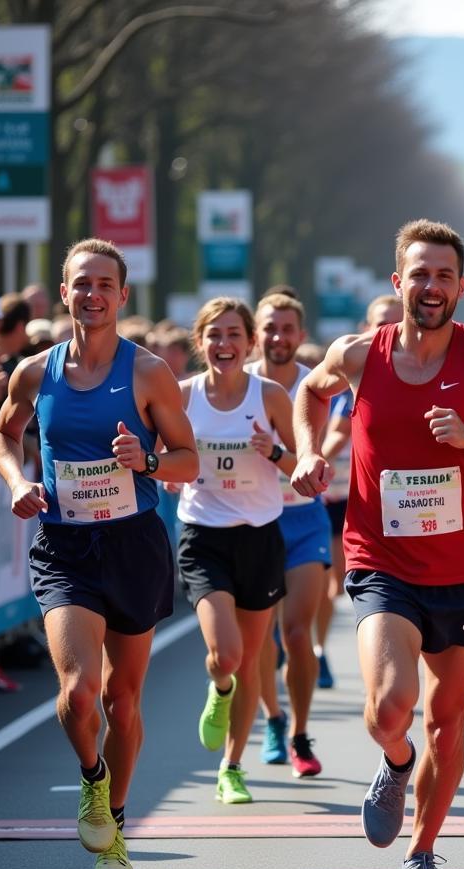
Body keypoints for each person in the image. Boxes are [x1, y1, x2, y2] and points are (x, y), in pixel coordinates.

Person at [291, 219, 464, 869]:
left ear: (461, 286)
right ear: (396, 281)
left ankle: (422, 856)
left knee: (448, 723)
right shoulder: (358, 355)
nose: (430, 286)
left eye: (443, 276)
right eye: (419, 274)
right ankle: (395, 762)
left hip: (463, 569)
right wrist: (309, 452)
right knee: (390, 707)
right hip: (381, 561)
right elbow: (310, 393)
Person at [0, 238, 198, 869]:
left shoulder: (148, 373)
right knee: (79, 696)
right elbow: (4, 431)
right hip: (65, 545)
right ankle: (92, 778)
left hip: (133, 545)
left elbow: (188, 459)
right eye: (82, 284)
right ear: (65, 292)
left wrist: (151, 461)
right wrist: (17, 481)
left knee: (123, 702)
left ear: (122, 295)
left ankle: (117, 826)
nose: (93, 295)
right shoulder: (35, 371)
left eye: (105, 285)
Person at [173, 297, 292, 804]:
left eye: (233, 335)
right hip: (204, 535)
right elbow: (163, 455)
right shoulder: (182, 396)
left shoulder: (270, 396)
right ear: (200, 343)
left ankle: (232, 766)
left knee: (251, 662)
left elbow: (301, 466)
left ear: (250, 342)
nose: (224, 344)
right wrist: (165, 470)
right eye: (214, 336)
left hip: (260, 534)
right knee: (226, 654)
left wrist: (275, 452)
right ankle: (218, 689)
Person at [249, 292, 331, 778]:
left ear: (300, 335)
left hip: (304, 520)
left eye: (287, 329)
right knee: (261, 638)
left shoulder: (315, 386)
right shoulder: (241, 385)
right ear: (257, 334)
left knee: (296, 633)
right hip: (253, 521)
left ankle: (300, 730)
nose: (278, 337)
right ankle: (272, 719)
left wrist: (278, 454)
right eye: (270, 328)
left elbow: (319, 458)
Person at [315, 293, 404, 691]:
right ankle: (318, 649)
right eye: (379, 322)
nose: (387, 329)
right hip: (339, 494)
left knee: (341, 582)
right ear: (366, 328)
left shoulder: (422, 371)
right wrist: (317, 459)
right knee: (333, 580)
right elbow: (335, 430)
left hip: (388, 502)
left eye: (394, 321)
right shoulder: (355, 375)